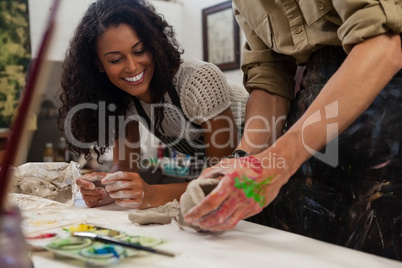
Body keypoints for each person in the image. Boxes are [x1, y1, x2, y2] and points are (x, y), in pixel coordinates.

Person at [184, 0, 402, 260]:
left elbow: (385, 44)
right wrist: (243, 159)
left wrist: (279, 162)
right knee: (309, 252)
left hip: (386, 108)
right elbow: (270, 77)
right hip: (311, 122)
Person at [58, 0, 248, 210]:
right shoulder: (123, 99)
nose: (132, 67)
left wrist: (152, 193)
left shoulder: (198, 80)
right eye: (115, 60)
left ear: (154, 44)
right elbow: (126, 165)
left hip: (271, 162)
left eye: (139, 51)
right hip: (239, 181)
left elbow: (220, 182)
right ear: (98, 65)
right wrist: (108, 187)